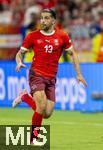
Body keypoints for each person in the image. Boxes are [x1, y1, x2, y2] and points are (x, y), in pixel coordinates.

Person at [12, 8, 87, 145]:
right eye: (42, 18)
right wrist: (19, 62)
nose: (43, 21)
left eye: (46, 18)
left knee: (46, 114)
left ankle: (24, 97)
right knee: (40, 107)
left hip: (51, 78)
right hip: (36, 75)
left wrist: (79, 74)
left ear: (53, 20)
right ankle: (33, 140)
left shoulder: (62, 36)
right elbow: (20, 53)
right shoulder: (32, 36)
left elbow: (73, 54)